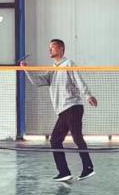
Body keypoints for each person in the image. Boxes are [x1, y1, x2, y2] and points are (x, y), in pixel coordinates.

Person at [21, 38, 98, 184]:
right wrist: (26, 69)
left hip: (73, 106)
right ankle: (64, 172)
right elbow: (37, 82)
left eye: (53, 47)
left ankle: (88, 168)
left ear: (61, 49)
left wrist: (88, 95)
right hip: (63, 110)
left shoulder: (68, 64)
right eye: (49, 47)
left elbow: (79, 80)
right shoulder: (52, 69)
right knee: (55, 140)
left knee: (77, 137)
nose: (50, 49)